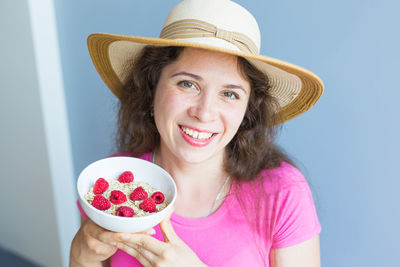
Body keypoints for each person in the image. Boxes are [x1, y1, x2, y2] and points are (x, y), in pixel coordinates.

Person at [70, 0, 324, 266]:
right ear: (151, 88)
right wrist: (80, 256)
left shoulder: (283, 193)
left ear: (247, 110)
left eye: (229, 94)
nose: (204, 113)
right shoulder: (113, 182)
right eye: (187, 83)